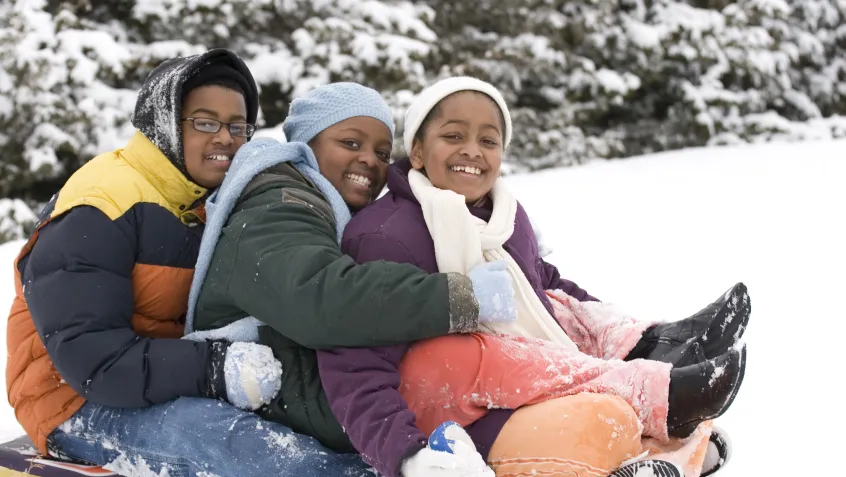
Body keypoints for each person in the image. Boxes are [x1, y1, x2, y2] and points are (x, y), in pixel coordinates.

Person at [319, 76, 750, 477]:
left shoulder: (504, 215)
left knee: (561, 305)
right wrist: (406, 456)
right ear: (416, 151)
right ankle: (658, 398)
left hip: (517, 382)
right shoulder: (386, 236)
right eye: (453, 136)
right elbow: (355, 367)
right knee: (472, 351)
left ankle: (655, 347)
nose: (472, 150)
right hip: (446, 408)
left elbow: (543, 284)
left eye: (489, 140)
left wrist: (609, 328)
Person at [6, 50, 381, 477]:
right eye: (205, 122)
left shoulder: (219, 199)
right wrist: (215, 367)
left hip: (174, 380)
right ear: (163, 121)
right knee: (264, 457)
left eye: (237, 126)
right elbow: (93, 360)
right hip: (72, 398)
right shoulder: (102, 203)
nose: (225, 138)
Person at [185, 82, 519, 470]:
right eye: (350, 143)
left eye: (381, 152)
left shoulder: (332, 208)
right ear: (307, 146)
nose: (370, 161)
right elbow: (322, 300)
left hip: (301, 380)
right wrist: (463, 299)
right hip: (258, 383)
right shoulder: (278, 203)